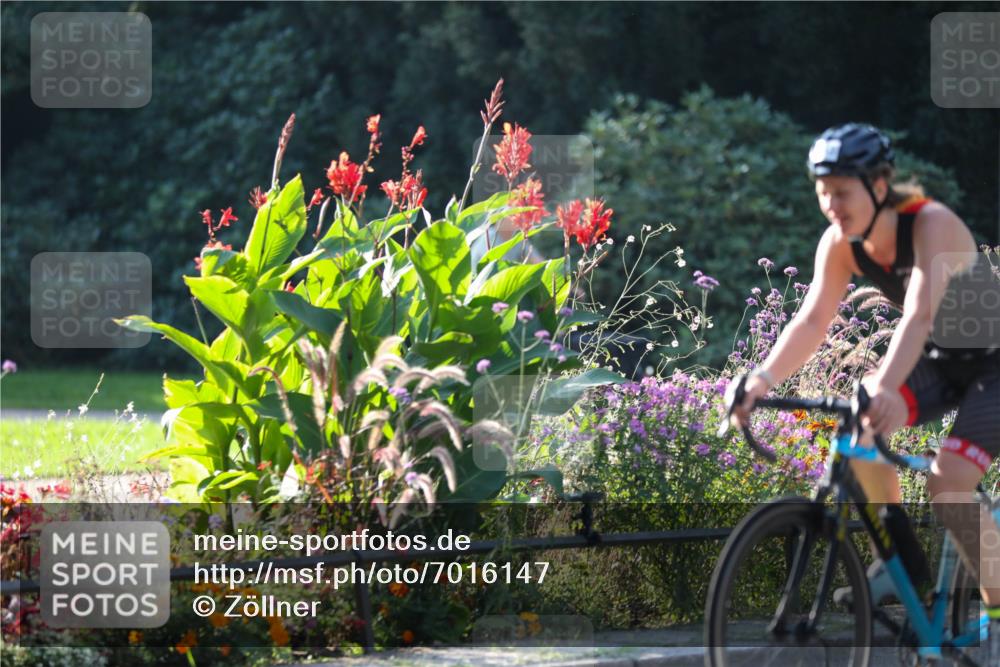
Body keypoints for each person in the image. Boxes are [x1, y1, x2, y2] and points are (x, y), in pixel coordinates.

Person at [729, 123, 1000, 653]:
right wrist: (759, 380)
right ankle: (902, 564)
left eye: (842, 191)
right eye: (822, 190)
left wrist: (885, 384)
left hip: (995, 363)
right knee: (857, 425)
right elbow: (811, 322)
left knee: (949, 483)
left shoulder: (931, 223)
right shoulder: (840, 244)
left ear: (879, 185)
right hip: (942, 361)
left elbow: (918, 315)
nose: (831, 203)